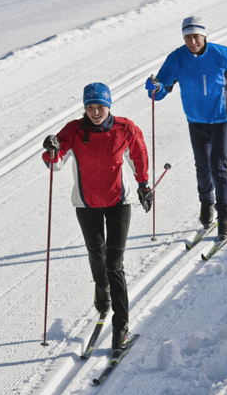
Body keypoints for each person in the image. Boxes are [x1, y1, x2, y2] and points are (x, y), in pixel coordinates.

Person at [42, 82, 150, 350]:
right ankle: (102, 291)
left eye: (100, 106)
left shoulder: (125, 129)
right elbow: (55, 164)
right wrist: (51, 150)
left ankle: (121, 325)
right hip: (86, 203)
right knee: (96, 255)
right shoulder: (73, 130)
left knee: (114, 263)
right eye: (90, 107)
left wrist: (143, 184)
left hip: (118, 202)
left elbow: (139, 155)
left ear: (109, 105)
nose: (95, 111)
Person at [146, 15, 227, 240]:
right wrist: (155, 87)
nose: (192, 41)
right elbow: (162, 89)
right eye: (187, 37)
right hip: (196, 120)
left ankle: (225, 216)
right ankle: (206, 204)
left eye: (196, 36)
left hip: (222, 119)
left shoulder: (220, 54)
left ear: (204, 36)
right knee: (202, 167)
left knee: (218, 167)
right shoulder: (177, 59)